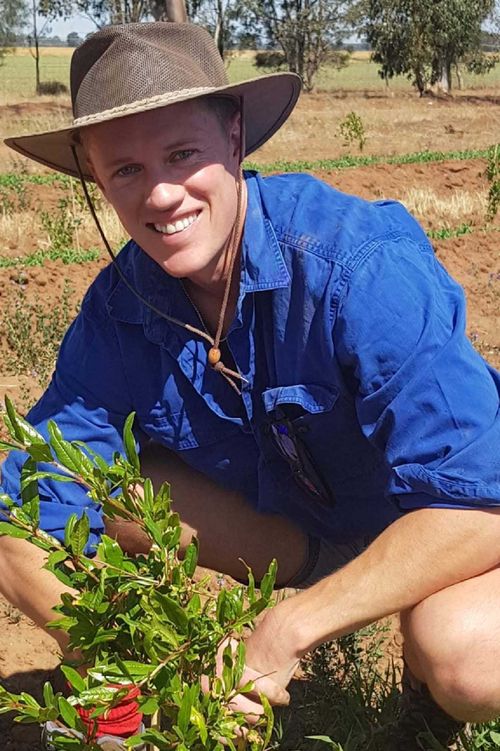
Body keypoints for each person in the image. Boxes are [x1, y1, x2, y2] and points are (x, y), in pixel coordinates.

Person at [1, 20, 500, 751]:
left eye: (181, 154)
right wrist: (119, 679)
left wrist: (282, 633)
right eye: (127, 170)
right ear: (95, 177)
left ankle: (428, 714)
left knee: (466, 653)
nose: (162, 194)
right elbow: (26, 505)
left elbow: (480, 499)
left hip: (440, 523)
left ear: (234, 137)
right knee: (87, 494)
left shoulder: (353, 266)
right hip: (307, 528)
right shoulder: (119, 310)